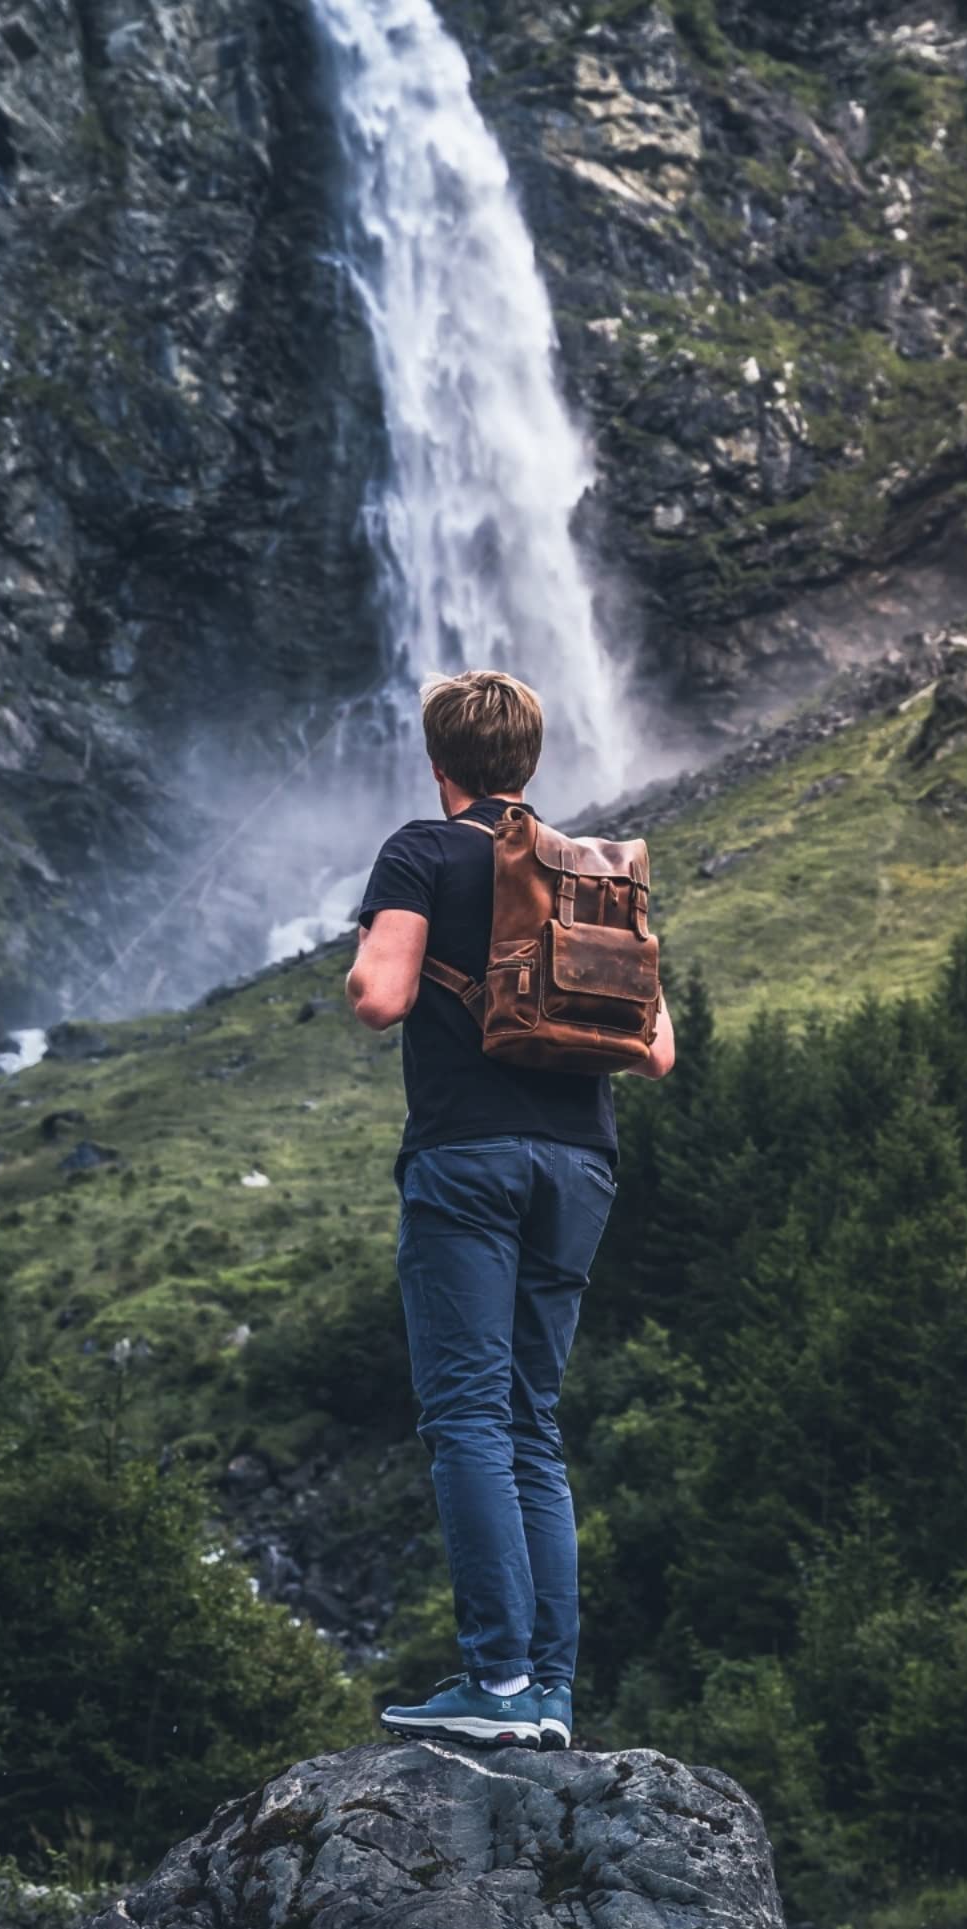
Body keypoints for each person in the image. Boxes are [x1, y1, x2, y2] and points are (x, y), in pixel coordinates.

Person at [345, 670, 675, 1751]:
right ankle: (548, 1696)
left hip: (468, 1156)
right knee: (533, 1419)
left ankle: (493, 1679)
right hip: (579, 1165)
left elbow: (380, 997)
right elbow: (658, 1049)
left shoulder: (421, 849)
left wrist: (375, 960)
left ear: (438, 763)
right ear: (528, 761)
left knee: (467, 1418)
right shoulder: (586, 870)